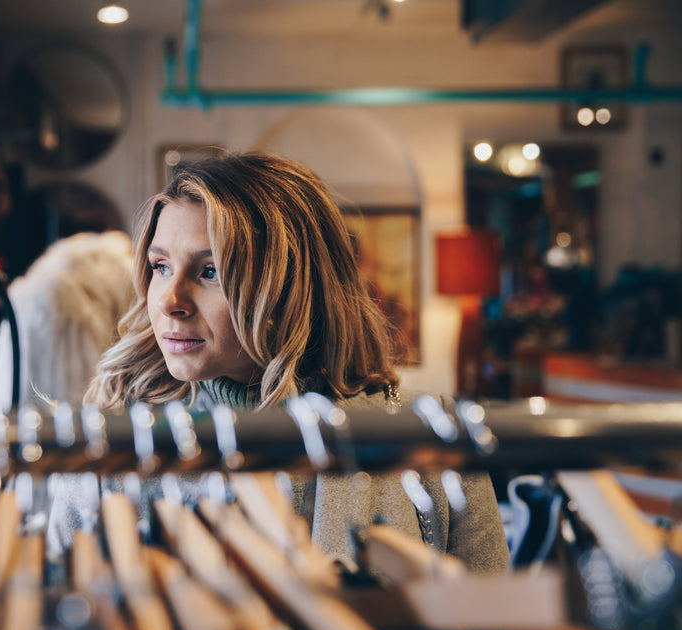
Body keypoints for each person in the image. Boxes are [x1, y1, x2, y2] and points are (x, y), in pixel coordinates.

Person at [85, 151, 510, 573]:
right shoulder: (120, 444)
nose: (168, 300)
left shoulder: (432, 437)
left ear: (289, 286)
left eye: (210, 271)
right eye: (160, 266)